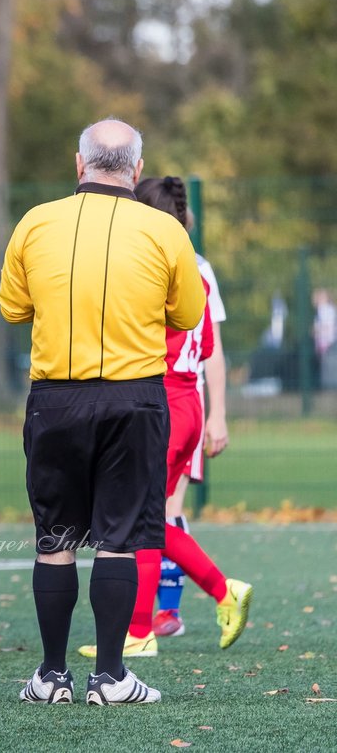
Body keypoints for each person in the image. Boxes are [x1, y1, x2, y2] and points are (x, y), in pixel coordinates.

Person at [0, 118, 208, 706]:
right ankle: (112, 678)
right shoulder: (165, 231)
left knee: (55, 537)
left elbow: (13, 307)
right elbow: (188, 314)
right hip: (134, 397)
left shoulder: (37, 222)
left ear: (78, 164)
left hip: (55, 399)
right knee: (119, 539)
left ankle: (51, 676)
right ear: (137, 170)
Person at [75, 175, 252, 663]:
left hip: (161, 404)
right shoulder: (193, 271)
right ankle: (218, 592)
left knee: (141, 523)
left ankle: (142, 630)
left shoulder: (150, 267)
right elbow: (209, 346)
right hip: (187, 402)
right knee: (152, 519)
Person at [152, 180, 230, 637]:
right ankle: (149, 617)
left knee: (161, 512)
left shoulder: (197, 269)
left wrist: (218, 413)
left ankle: (168, 610)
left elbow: (213, 347)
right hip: (167, 401)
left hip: (178, 400)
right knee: (154, 513)